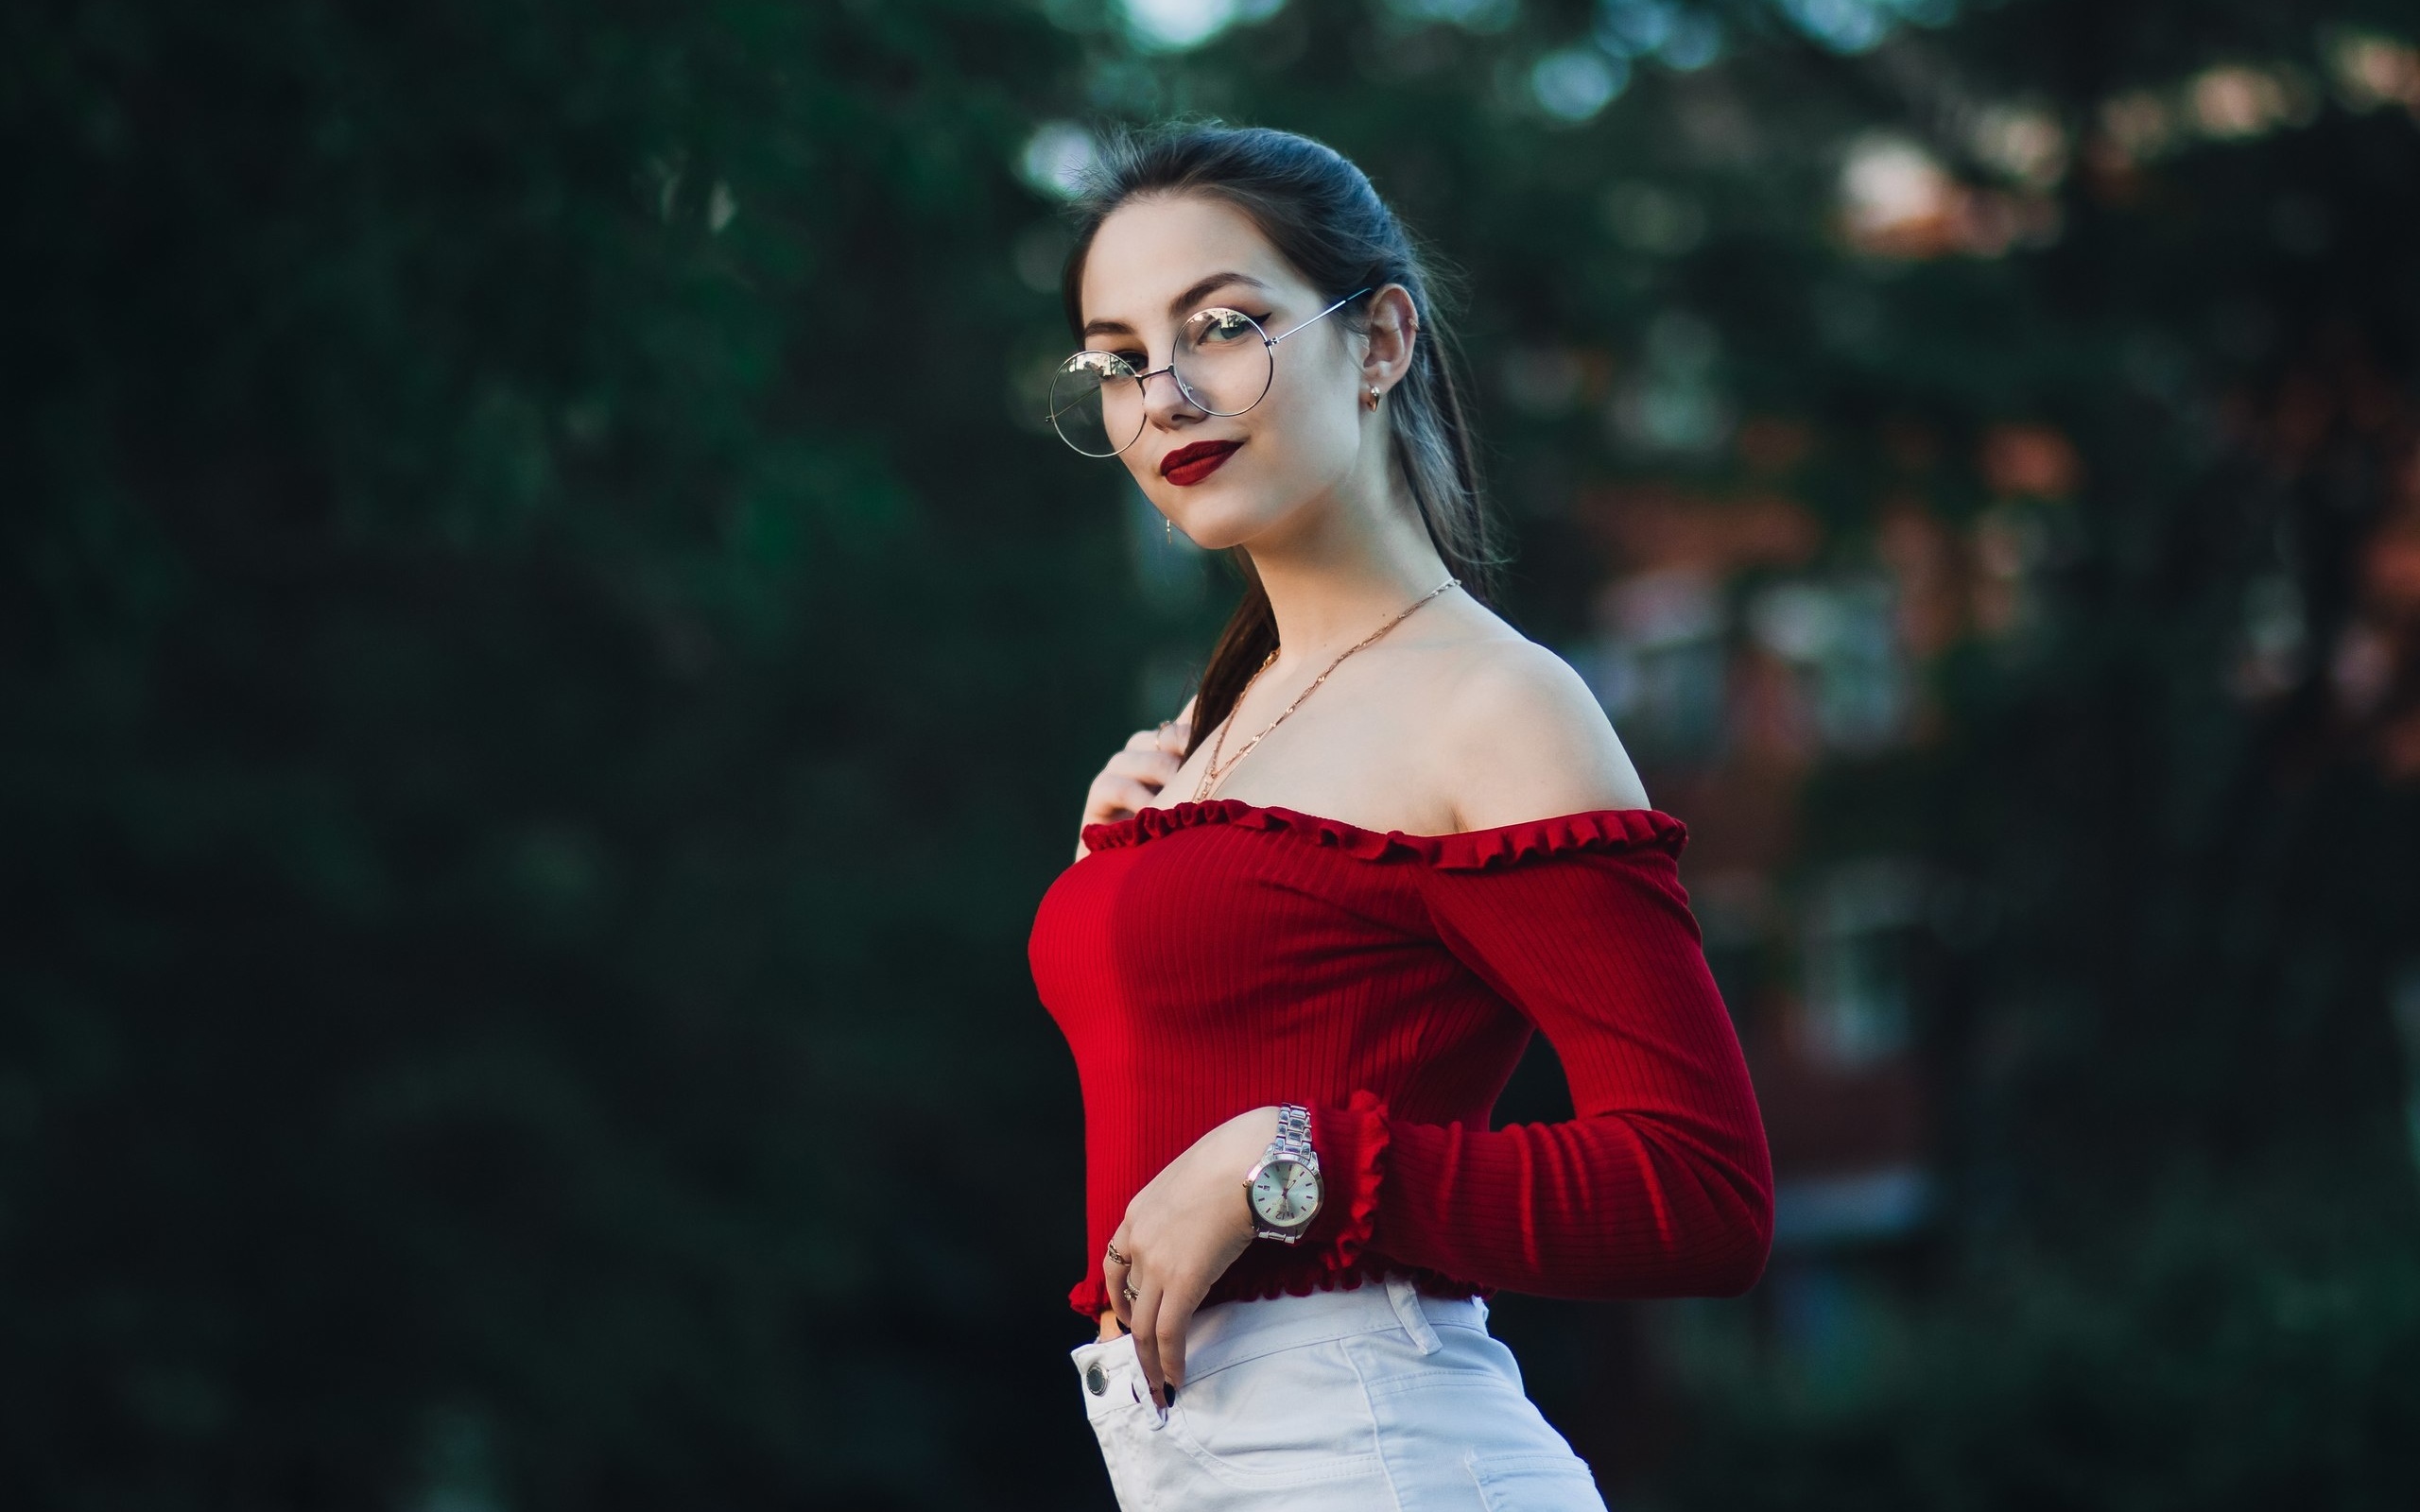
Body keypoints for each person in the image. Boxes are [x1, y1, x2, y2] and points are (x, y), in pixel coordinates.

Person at [1027, 121, 1772, 1512]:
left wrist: (1286, 1161)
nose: (1167, 396)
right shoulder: (1211, 732)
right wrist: (1119, 872)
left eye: (1224, 327)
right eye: (1121, 359)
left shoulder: (1494, 705)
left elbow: (1701, 1190)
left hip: (1379, 1461)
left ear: (1378, 344)